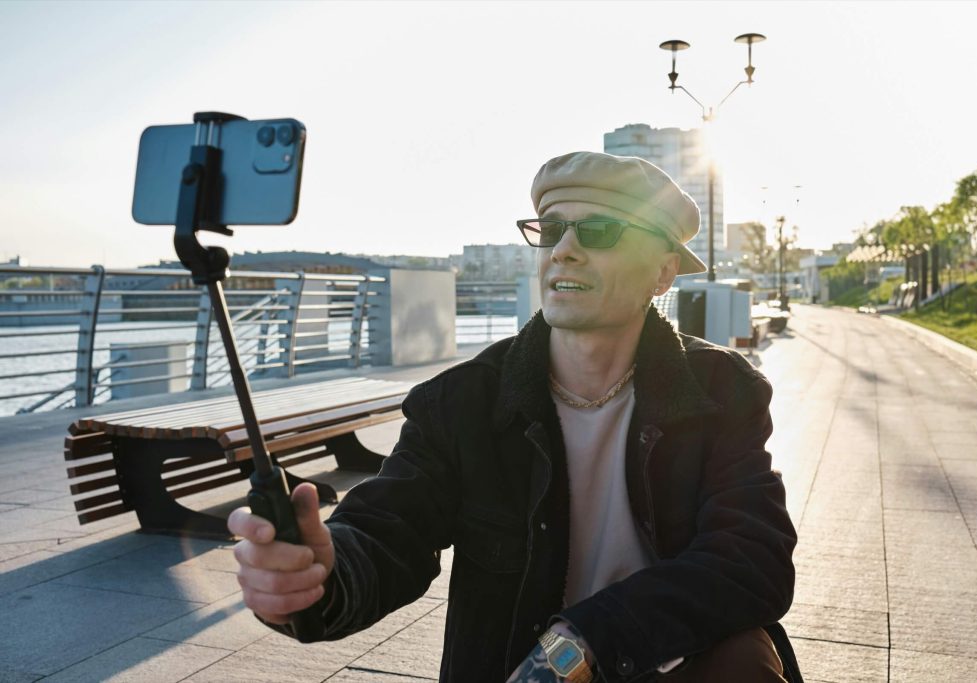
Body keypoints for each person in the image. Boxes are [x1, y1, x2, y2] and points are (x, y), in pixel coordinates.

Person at [229, 151, 800, 682]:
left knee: (746, 661)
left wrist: (586, 640)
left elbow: (753, 557)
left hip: (664, 662)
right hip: (512, 670)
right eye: (551, 231)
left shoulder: (721, 391)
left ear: (662, 273)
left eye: (599, 231)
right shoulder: (462, 403)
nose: (564, 250)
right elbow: (388, 532)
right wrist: (322, 575)